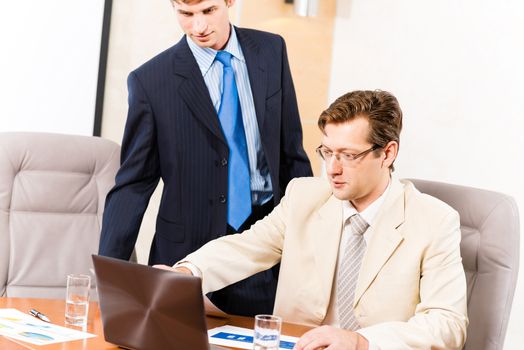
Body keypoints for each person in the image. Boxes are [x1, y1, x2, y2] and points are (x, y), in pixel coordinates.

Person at [156, 90, 468, 349]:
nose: (333, 168)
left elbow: (447, 323)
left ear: (387, 153)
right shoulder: (304, 196)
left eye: (348, 155)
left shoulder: (434, 221)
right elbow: (247, 246)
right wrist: (187, 273)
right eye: (327, 152)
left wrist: (361, 341)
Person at [98, 0, 312, 317]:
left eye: (208, 11)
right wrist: (110, 284)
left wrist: (310, 241)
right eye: (186, 15)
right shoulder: (151, 81)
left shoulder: (271, 51)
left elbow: (291, 153)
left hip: (265, 250)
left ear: (229, 2)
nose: (198, 27)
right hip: (186, 258)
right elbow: (133, 184)